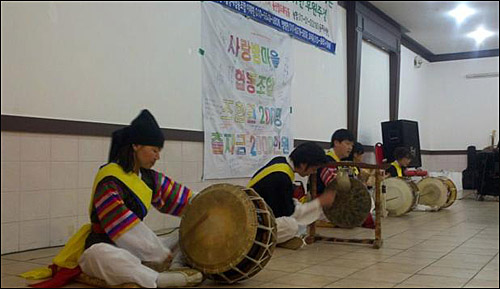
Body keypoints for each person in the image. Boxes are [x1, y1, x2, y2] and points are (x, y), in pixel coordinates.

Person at [24, 110, 202, 288]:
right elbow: (122, 227)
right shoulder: (109, 177)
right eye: (154, 150)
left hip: (136, 249)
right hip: (104, 244)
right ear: (136, 146)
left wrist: (210, 203)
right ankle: (158, 279)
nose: (158, 156)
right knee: (102, 256)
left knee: (182, 233)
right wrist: (158, 252)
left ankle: (175, 265)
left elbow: (183, 198)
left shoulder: (149, 178)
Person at [248, 142, 336, 250]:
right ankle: (262, 240)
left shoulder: (280, 162)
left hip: (259, 215)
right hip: (251, 223)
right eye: (314, 168)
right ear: (304, 164)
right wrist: (320, 202)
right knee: (291, 226)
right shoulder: (281, 177)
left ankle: (278, 239)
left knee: (299, 219)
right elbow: (288, 213)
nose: (314, 172)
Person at [316, 129, 355, 196]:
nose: (350, 148)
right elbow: (335, 186)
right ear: (336, 143)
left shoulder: (339, 162)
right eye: (347, 144)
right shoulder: (327, 161)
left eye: (352, 145)